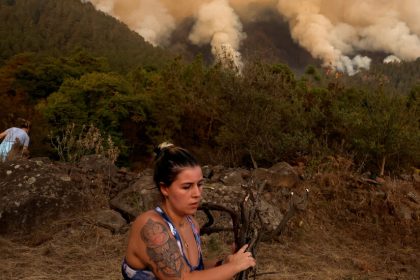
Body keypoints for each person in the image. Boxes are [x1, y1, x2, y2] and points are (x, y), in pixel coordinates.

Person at [122, 142, 256, 280]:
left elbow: (194, 271)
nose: (197, 193)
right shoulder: (150, 226)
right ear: (164, 188)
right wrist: (233, 267)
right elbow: (182, 278)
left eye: (199, 184)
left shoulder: (191, 223)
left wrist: (224, 263)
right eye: (187, 187)